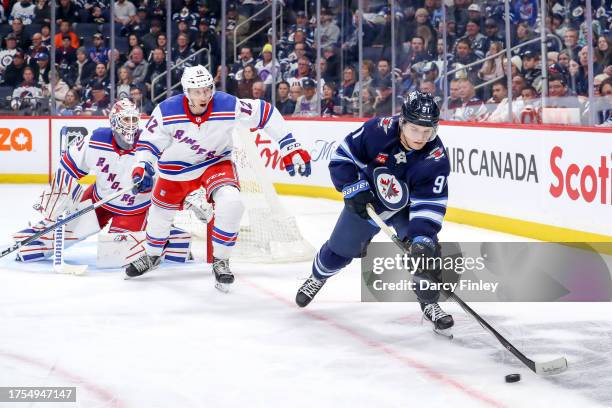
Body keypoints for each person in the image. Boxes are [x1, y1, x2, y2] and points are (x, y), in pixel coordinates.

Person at [125, 65, 312, 291]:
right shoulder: (166, 111)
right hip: (175, 169)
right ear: (186, 92)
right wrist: (142, 166)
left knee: (232, 202)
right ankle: (153, 255)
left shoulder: (226, 104)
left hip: (215, 163)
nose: (203, 96)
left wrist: (288, 144)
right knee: (159, 213)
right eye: (197, 91)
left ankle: (221, 260)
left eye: (207, 89)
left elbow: (265, 112)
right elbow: (147, 143)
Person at [295, 91, 453, 334]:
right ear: (402, 121)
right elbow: (342, 158)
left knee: (427, 252)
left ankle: (430, 303)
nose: (421, 138)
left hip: (406, 208)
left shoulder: (435, 157)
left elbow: (430, 202)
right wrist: (353, 187)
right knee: (338, 251)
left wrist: (420, 238)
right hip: (369, 199)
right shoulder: (377, 130)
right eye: (414, 130)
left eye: (427, 131)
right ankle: (317, 277)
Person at [12, 100, 192, 267]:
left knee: (115, 255)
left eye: (133, 119)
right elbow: (68, 167)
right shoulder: (95, 140)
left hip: (133, 209)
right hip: (98, 199)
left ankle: (169, 239)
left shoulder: (150, 144)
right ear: (113, 122)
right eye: (125, 119)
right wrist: (60, 199)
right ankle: (34, 239)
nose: (130, 124)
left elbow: (171, 176)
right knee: (68, 229)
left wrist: (151, 182)